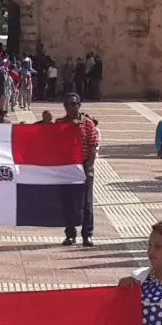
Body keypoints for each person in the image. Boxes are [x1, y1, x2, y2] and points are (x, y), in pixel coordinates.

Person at [62, 94, 99, 246]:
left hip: (83, 165)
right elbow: (47, 136)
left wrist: (89, 165)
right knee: (68, 202)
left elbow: (93, 145)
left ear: (79, 105)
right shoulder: (60, 123)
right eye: (67, 104)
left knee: (86, 202)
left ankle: (87, 234)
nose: (70, 107)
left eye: (73, 104)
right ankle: (70, 234)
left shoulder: (88, 124)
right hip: (67, 167)